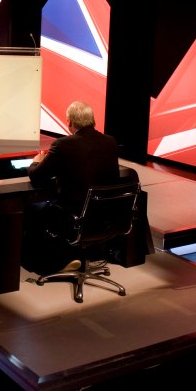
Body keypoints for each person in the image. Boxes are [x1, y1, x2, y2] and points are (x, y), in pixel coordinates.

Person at [22, 100, 120, 274]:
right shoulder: (110, 142)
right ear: (92, 120)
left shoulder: (62, 145)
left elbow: (37, 176)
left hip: (75, 216)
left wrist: (35, 163)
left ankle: (45, 265)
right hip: (107, 216)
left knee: (32, 208)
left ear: (70, 123)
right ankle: (76, 256)